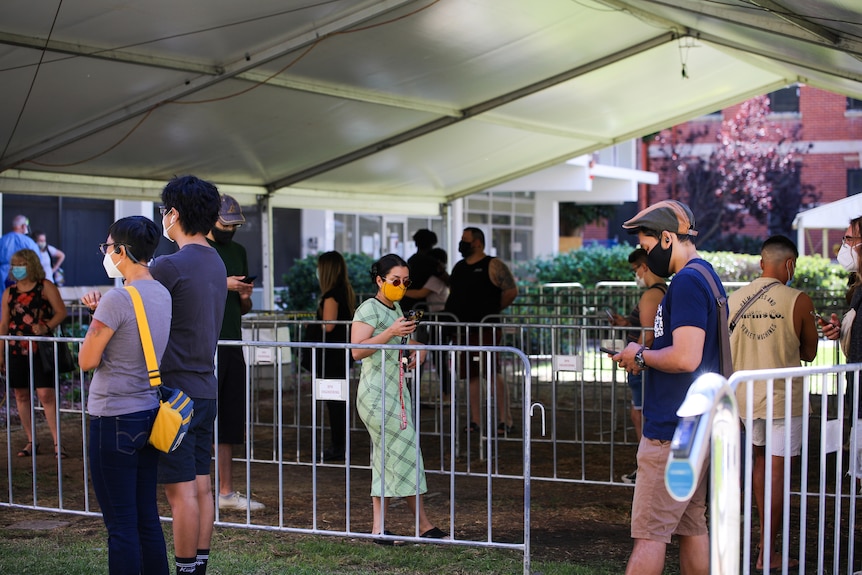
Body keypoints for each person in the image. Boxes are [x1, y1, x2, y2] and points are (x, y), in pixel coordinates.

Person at [611, 200, 722, 575]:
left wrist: (640, 355)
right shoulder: (704, 274)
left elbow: (687, 357)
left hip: (672, 433)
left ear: (668, 238)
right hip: (693, 428)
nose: (645, 256)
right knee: (692, 526)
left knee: (649, 534)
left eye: (646, 247)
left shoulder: (688, 281)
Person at [78, 216, 172, 575]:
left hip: (112, 415)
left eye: (107, 247)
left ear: (121, 251)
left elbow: (87, 360)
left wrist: (97, 317)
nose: (106, 253)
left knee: (120, 525)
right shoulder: (161, 293)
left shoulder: (117, 298)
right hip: (147, 412)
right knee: (146, 517)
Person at [150, 176, 227, 575]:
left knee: (180, 494)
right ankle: (197, 565)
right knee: (202, 486)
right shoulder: (216, 260)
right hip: (206, 389)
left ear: (174, 213)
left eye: (164, 211)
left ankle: (184, 569)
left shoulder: (167, 265)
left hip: (174, 394)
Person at [729, 234, 816, 572]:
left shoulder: (734, 299)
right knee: (778, 472)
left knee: (760, 465)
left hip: (745, 398)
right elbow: (809, 352)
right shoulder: (799, 300)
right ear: (790, 264)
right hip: (782, 398)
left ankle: (759, 546)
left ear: (762, 262)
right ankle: (767, 551)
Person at [351, 254, 446, 542]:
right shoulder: (368, 309)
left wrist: (420, 347)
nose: (401, 286)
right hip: (375, 392)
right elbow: (357, 349)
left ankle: (382, 527)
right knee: (403, 452)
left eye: (406, 282)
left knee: (389, 456)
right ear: (379, 280)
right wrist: (392, 331)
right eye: (395, 281)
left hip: (395, 391)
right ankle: (422, 525)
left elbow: (400, 342)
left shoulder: (396, 308)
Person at [205, 195, 262, 512]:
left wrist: (243, 294)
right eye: (225, 223)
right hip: (205, 344)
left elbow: (243, 308)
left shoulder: (238, 251)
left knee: (229, 418)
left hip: (231, 340)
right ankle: (200, 490)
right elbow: (190, 291)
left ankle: (225, 491)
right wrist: (221, 283)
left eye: (234, 225)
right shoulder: (198, 249)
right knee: (202, 415)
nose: (229, 229)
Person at [444, 227, 518, 435]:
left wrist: (492, 310)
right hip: (462, 328)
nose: (462, 243)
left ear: (477, 242)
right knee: (471, 375)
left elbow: (511, 291)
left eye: (465, 240)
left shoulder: (493, 265)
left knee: (492, 371)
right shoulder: (459, 267)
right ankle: (475, 420)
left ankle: (505, 419)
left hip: (486, 327)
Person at [0, 248, 68, 458]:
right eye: (15, 265)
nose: (17, 269)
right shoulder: (9, 292)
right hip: (15, 348)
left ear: (31, 265)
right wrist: (1, 352)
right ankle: (31, 440)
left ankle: (58, 442)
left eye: (21, 264)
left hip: (40, 348)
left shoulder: (45, 286)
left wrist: (46, 327)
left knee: (45, 393)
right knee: (20, 394)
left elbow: (61, 312)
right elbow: (4, 323)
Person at [609, 248, 666, 484]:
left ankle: (647, 467)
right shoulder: (662, 292)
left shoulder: (652, 294)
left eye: (636, 270)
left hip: (643, 366)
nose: (636, 275)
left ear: (644, 266)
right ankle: (647, 466)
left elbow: (648, 334)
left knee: (639, 415)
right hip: (648, 364)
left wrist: (636, 358)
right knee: (641, 414)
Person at [314, 250, 355, 463]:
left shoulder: (331, 296)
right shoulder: (345, 291)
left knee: (334, 402)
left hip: (331, 355)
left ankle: (338, 446)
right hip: (340, 354)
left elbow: (328, 326)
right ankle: (339, 444)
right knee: (337, 401)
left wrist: (313, 324)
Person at [401, 229, 439, 312]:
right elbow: (444, 278)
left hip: (407, 302)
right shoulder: (431, 262)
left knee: (410, 323)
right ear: (431, 244)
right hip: (420, 304)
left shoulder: (411, 260)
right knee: (419, 324)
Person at [404, 247, 449, 313]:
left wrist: (402, 292)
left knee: (413, 320)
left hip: (437, 314)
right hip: (435, 313)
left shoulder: (436, 279)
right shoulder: (441, 277)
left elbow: (420, 294)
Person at [0, 215, 39, 288]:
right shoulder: (29, 242)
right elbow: (37, 261)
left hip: (3, 276)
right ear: (24, 226)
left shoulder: (2, 241)